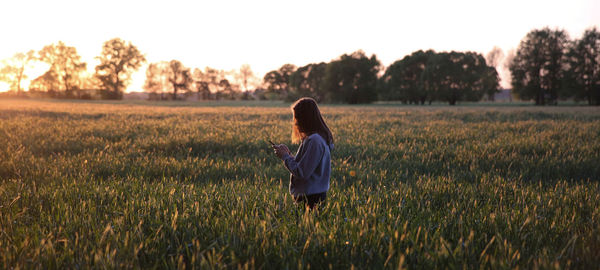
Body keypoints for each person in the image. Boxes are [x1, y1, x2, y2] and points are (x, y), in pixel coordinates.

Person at [272, 97, 334, 210]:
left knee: (307, 227)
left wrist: (285, 157)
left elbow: (302, 172)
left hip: (310, 197)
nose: (295, 123)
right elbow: (307, 166)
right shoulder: (316, 138)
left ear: (304, 118)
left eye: (296, 118)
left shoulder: (314, 140)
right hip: (313, 195)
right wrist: (289, 155)